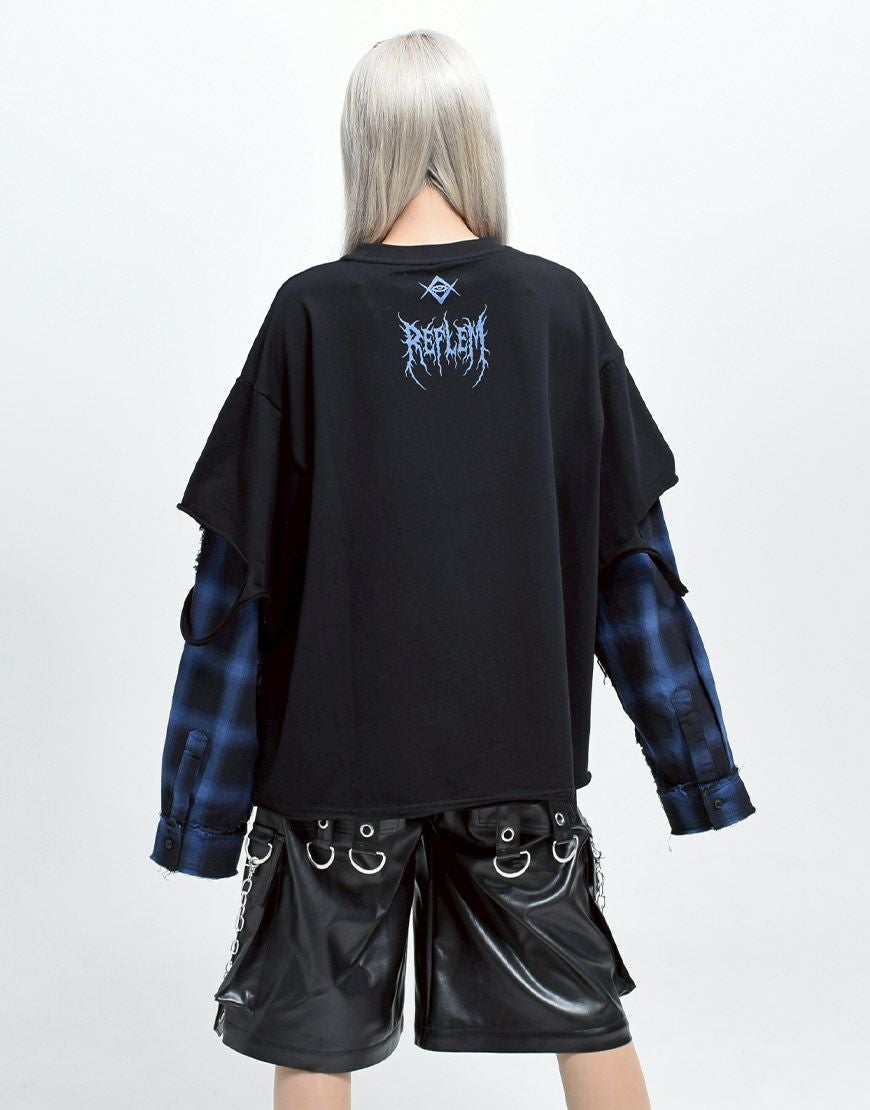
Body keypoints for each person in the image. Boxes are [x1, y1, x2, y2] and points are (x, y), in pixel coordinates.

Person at [150, 29, 756, 1110]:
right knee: (590, 1019)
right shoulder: (557, 309)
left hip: (336, 774)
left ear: (363, 143)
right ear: (478, 138)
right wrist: (696, 769)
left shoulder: (310, 313)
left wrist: (199, 816)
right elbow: (635, 574)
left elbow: (232, 590)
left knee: (317, 1047)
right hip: (516, 761)